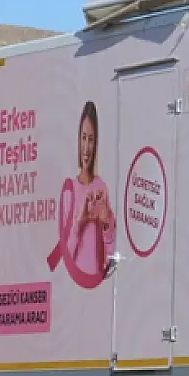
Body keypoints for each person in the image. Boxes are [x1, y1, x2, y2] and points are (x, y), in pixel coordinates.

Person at [65, 100, 116, 281]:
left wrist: (106, 225)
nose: (86, 147)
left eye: (91, 139)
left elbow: (112, 262)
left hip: (97, 287)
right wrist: (79, 224)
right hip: (73, 287)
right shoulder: (69, 190)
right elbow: (66, 259)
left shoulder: (102, 188)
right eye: (84, 137)